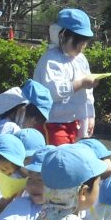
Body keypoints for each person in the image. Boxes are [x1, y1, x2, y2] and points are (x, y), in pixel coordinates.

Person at [32, 8, 101, 144]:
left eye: (85, 42)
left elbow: (87, 94)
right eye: (78, 41)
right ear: (62, 35)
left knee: (73, 160)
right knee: (59, 160)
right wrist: (81, 83)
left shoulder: (81, 60)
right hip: (53, 123)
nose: (82, 46)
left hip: (76, 121)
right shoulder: (51, 60)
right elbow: (52, 91)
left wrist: (90, 116)